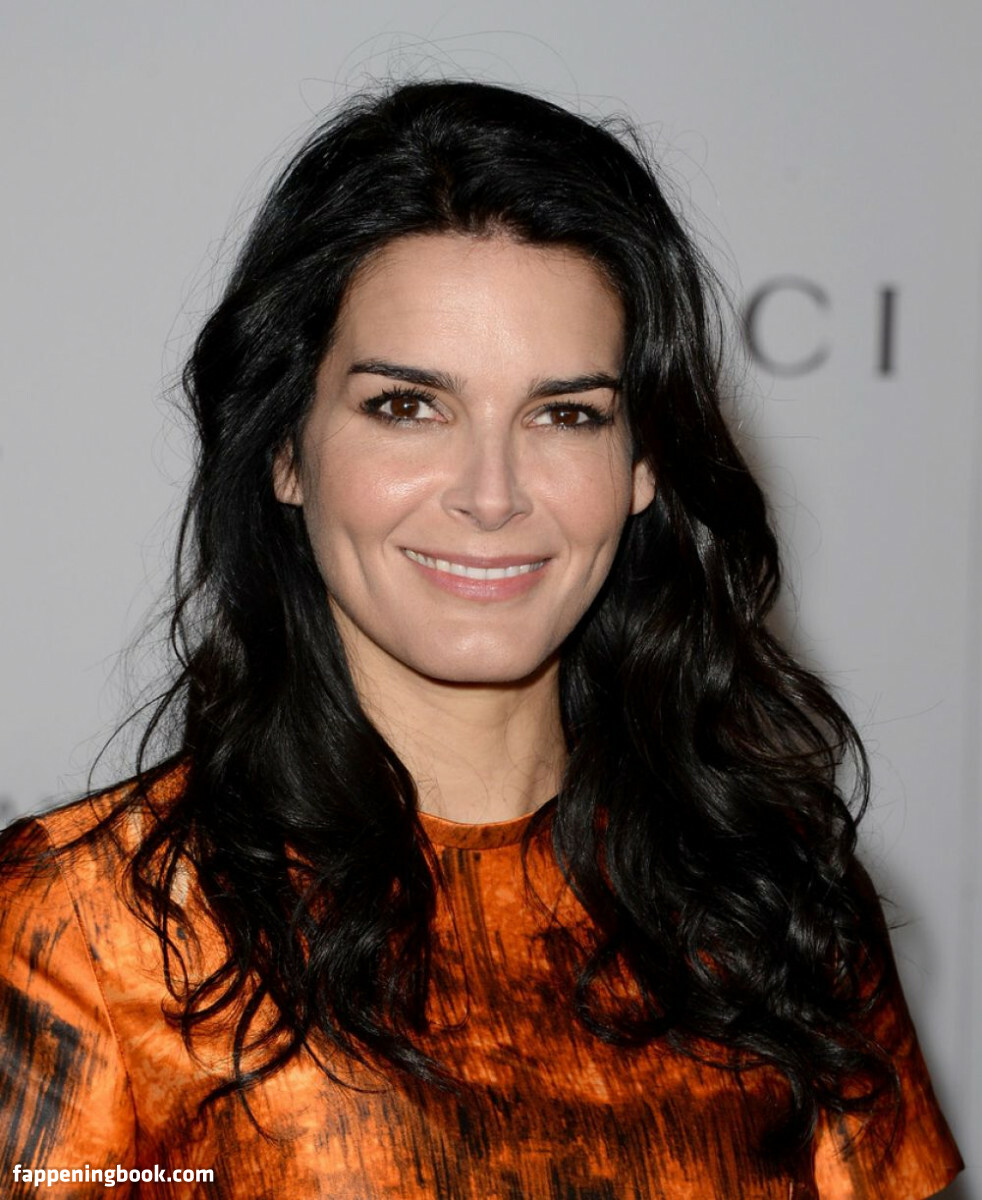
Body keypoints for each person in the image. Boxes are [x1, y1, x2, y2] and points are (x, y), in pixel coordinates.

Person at [0, 80, 962, 1198]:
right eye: (408, 406)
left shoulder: (774, 899)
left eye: (567, 414)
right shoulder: (87, 929)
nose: (492, 494)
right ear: (287, 451)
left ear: (643, 466)